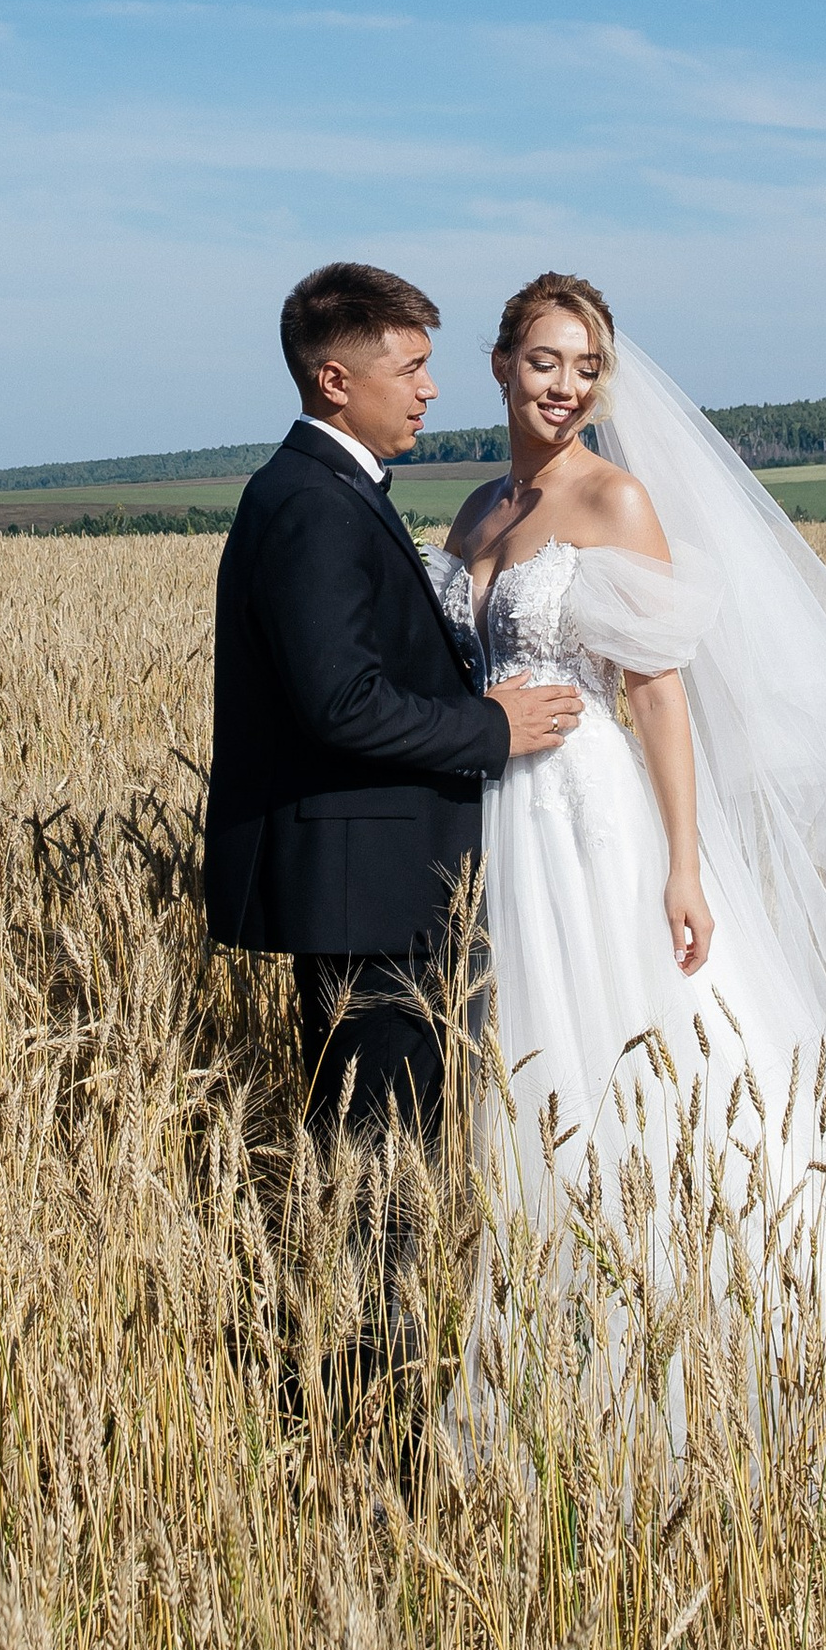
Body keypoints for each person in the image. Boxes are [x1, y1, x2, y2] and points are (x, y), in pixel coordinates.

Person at [428, 273, 826, 1466]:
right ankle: (550, 1343)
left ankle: (720, 1337)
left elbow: (657, 693)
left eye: (585, 367)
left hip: (589, 814)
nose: (565, 386)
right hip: (499, 822)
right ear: (500, 365)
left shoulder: (614, 498)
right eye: (544, 361)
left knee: (629, 1049)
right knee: (528, 1068)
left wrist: (683, 866)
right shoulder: (475, 512)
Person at [206, 262, 586, 1167]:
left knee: (386, 1157)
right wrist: (494, 729)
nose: (430, 388)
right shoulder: (313, 504)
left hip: (374, 889)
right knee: (384, 1175)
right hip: (369, 897)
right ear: (336, 381)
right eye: (410, 368)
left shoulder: (323, 489)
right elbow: (341, 702)